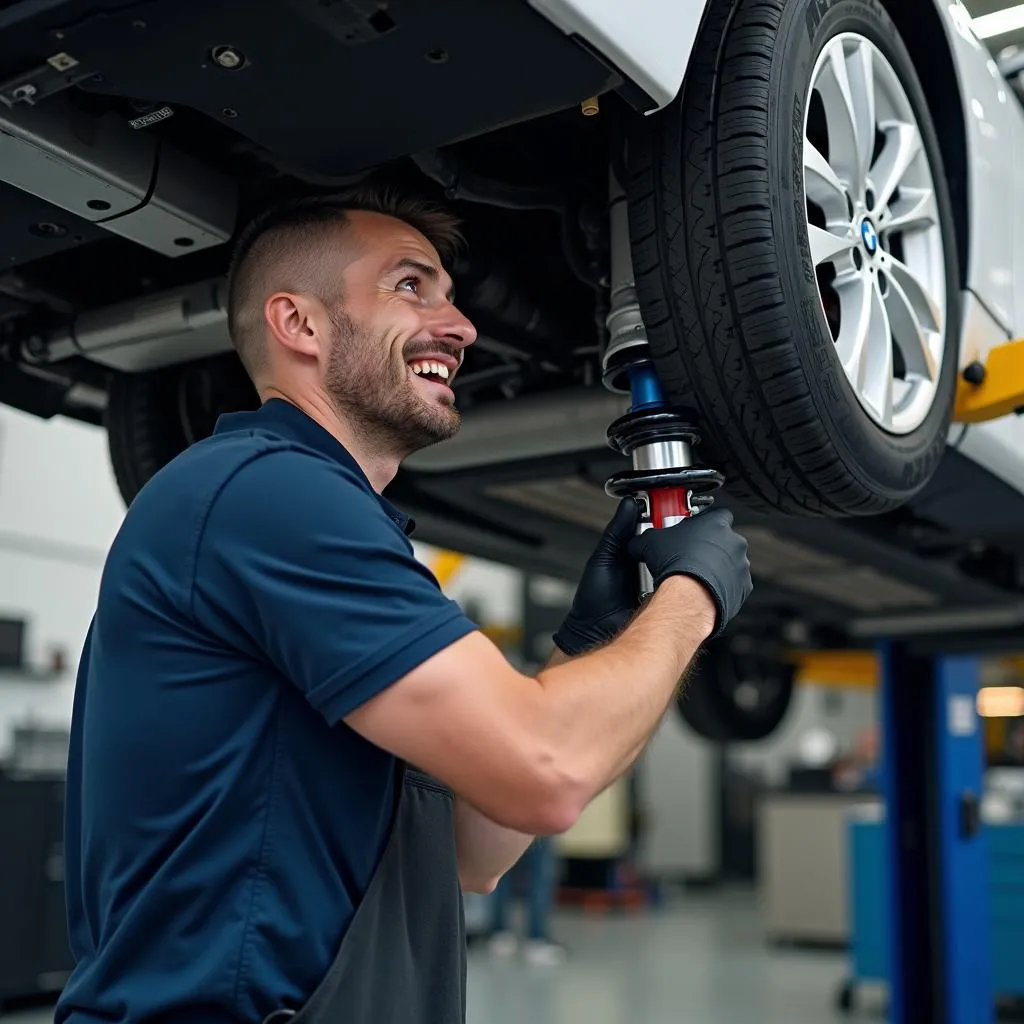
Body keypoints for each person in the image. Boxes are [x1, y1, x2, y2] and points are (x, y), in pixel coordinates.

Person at [54, 184, 753, 1024]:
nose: (460, 329)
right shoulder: (268, 493)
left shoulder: (319, 517)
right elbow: (548, 774)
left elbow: (478, 847)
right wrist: (692, 599)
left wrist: (592, 637)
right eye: (411, 286)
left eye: (452, 298)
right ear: (299, 324)